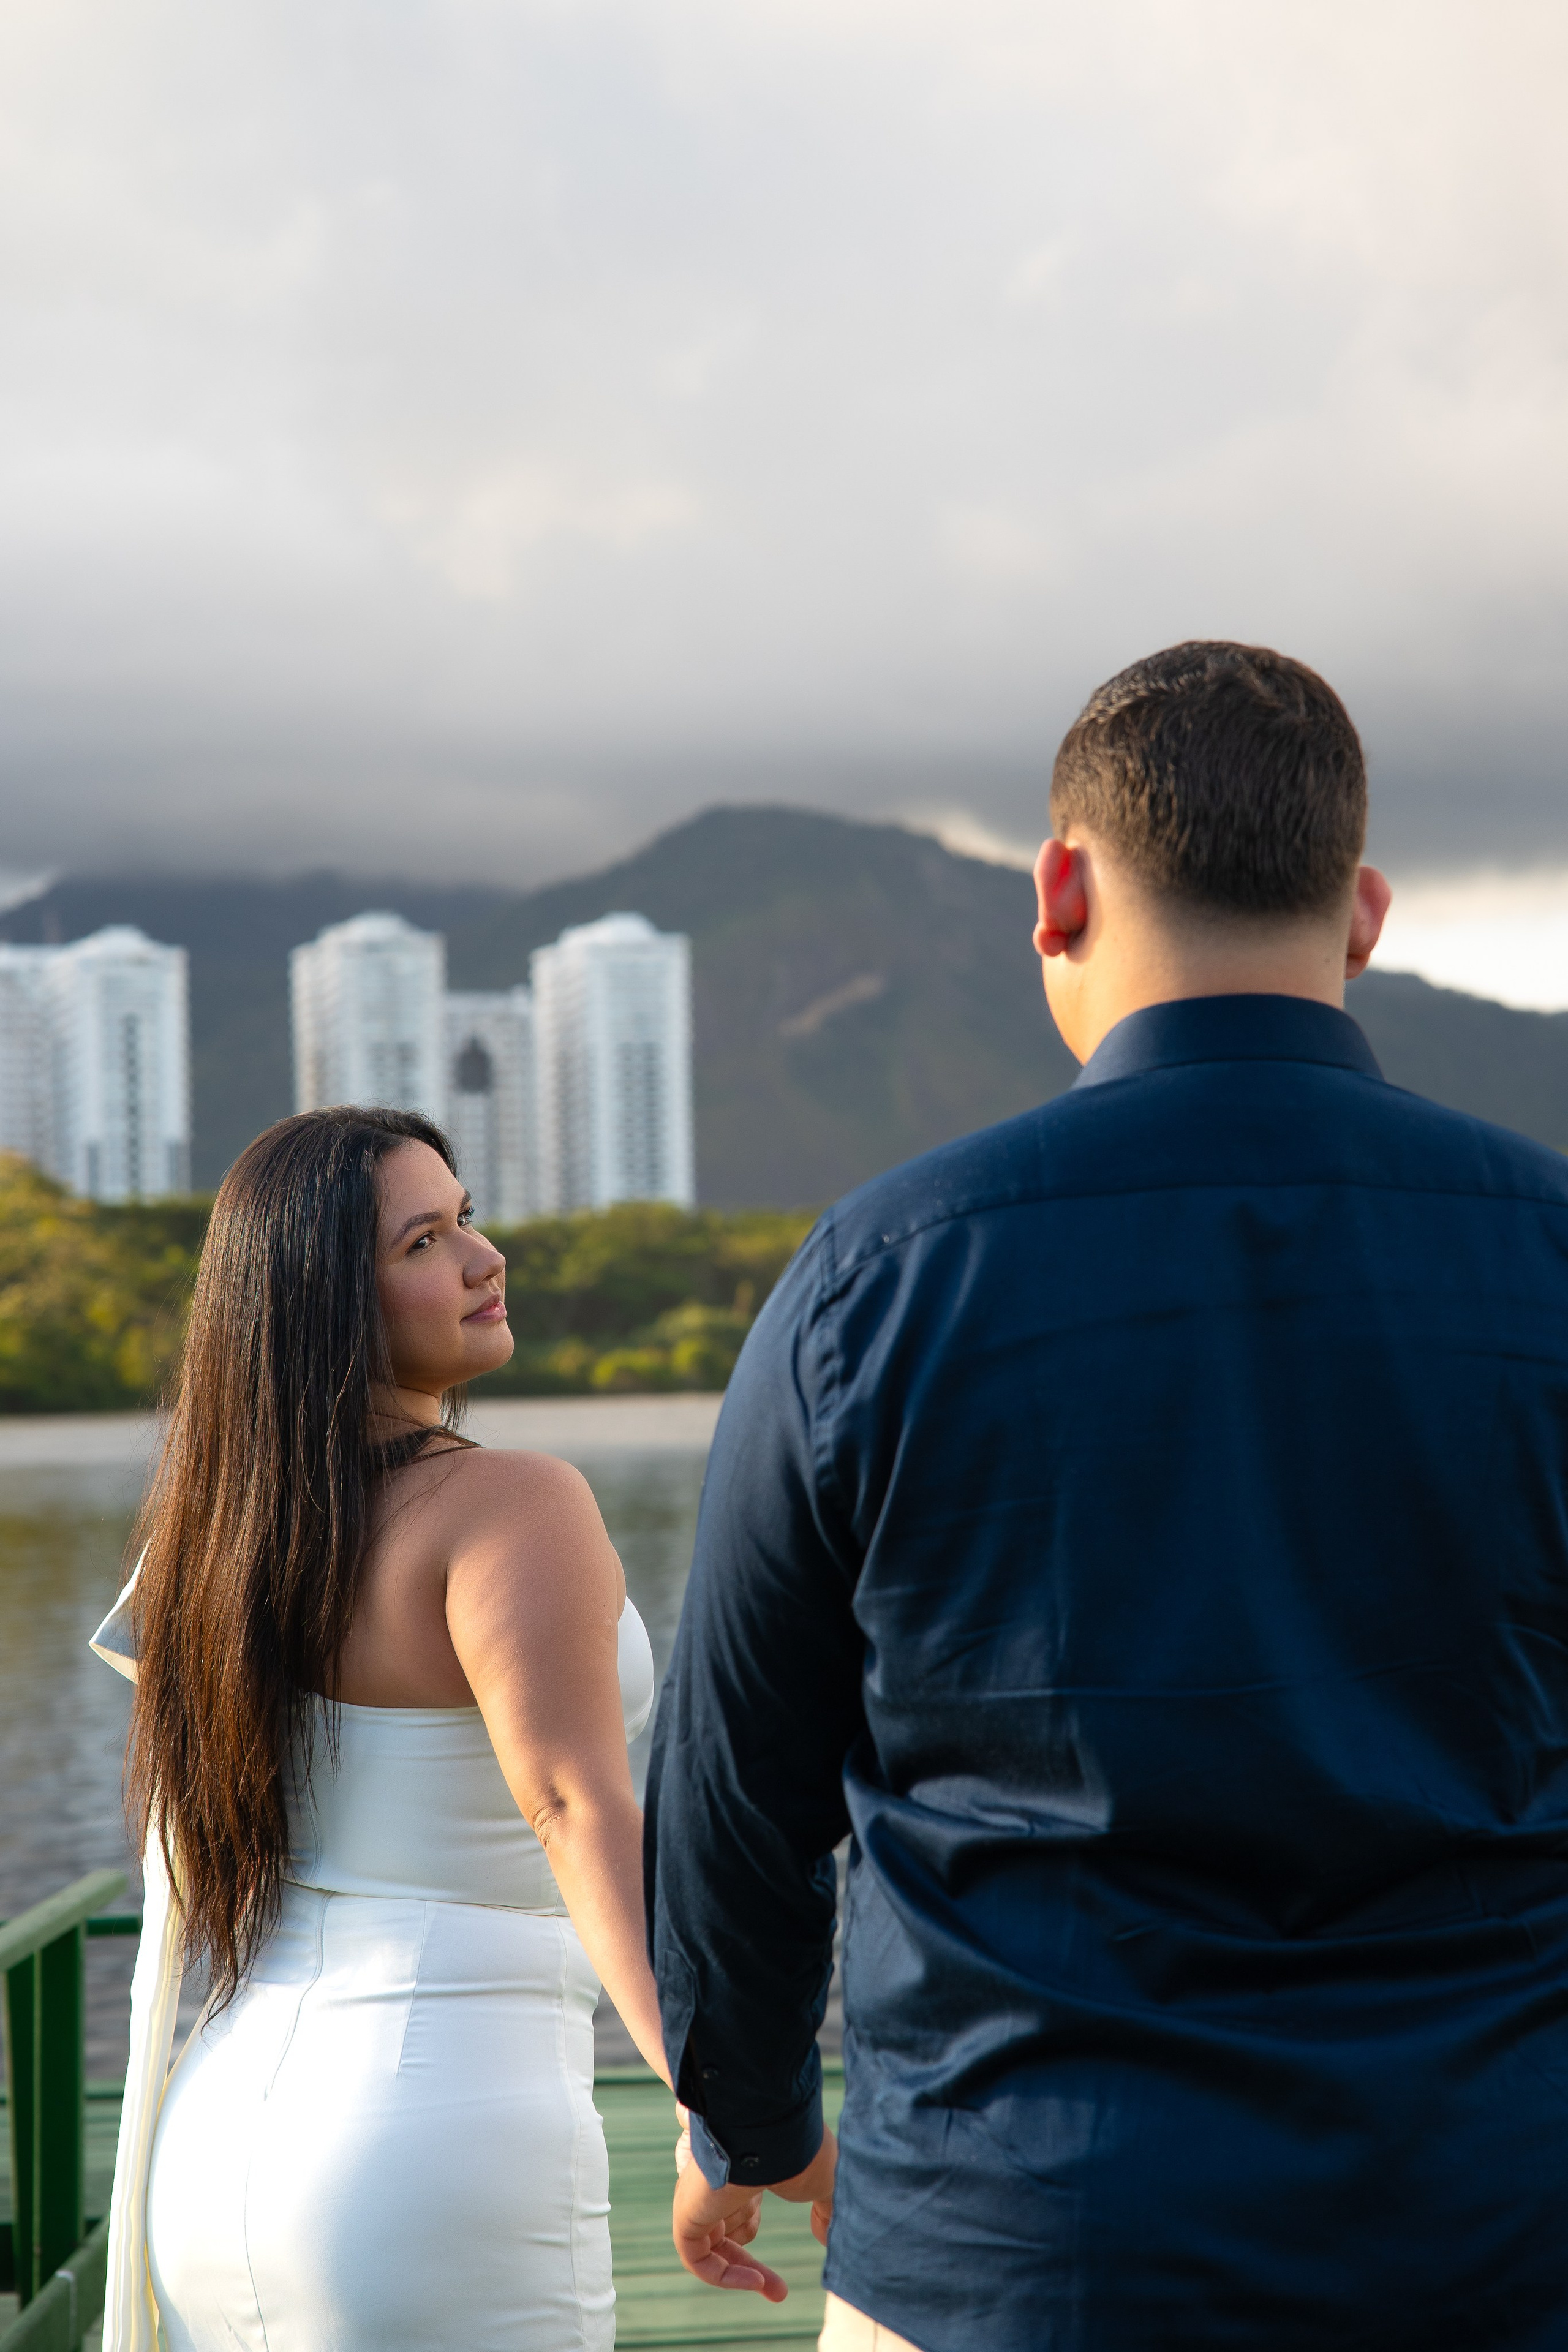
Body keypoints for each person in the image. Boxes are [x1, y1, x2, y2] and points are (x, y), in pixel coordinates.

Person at [644, 641, 1568, 2350]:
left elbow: (731, 1795)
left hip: (1021, 2246)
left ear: (1058, 885)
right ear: (1363, 914)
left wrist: (757, 2120)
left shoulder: (881, 1277)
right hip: (1492, 2234)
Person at [91, 1106, 669, 2352]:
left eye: (466, 1219)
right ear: (319, 1300)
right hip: (439, 2140)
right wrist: (719, 2096)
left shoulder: (219, 1544)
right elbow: (571, 1806)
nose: (483, 1258)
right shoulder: (510, 1501)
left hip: (220, 2151)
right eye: (424, 1240)